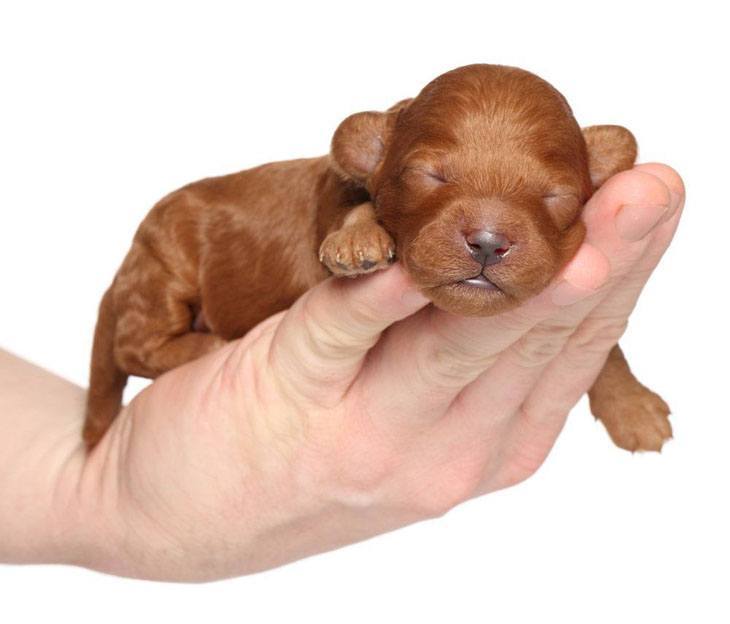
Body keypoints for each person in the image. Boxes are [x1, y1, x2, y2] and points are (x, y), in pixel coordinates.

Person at [0, 164, 683, 581]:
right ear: (375, 154)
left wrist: (91, 494)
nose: (485, 231)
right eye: (436, 176)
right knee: (154, 302)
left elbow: (555, 306)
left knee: (553, 300)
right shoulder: (349, 200)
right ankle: (162, 343)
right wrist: (103, 471)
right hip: (193, 239)